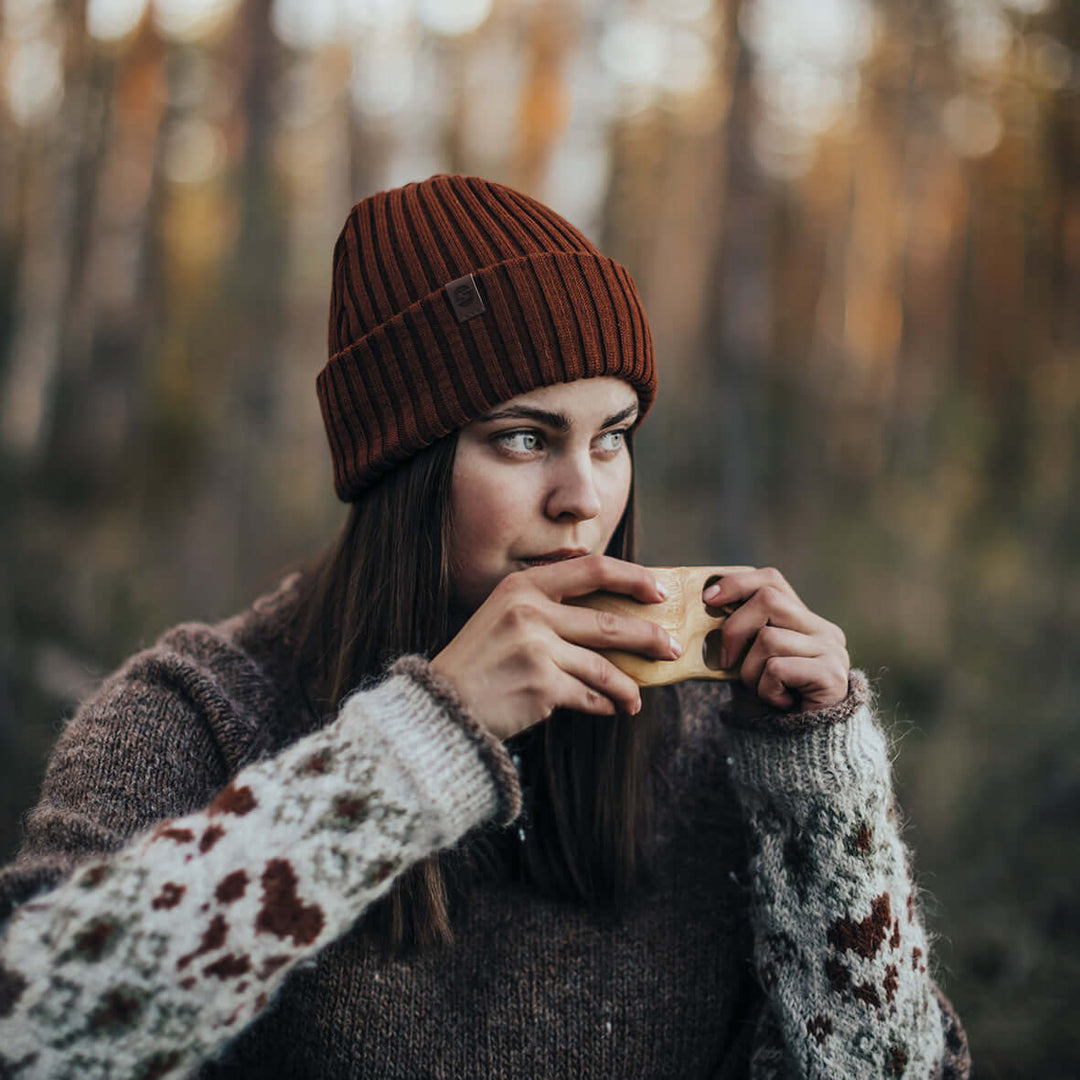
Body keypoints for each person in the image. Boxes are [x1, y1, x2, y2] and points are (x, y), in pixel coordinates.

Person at [0, 174, 970, 1079]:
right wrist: (419, 746)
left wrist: (826, 792)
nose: (582, 498)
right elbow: (32, 1030)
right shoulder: (202, 711)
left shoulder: (713, 732)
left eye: (612, 434)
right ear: (402, 464)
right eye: (522, 436)